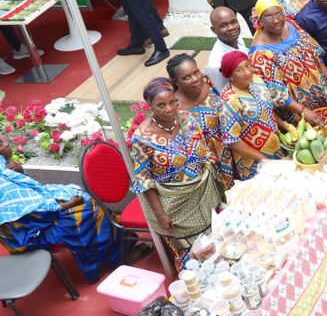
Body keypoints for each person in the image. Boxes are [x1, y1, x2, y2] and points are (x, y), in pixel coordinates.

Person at [129, 78, 223, 256]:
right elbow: (144, 180)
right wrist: (160, 216)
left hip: (204, 194)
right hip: (174, 206)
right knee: (192, 256)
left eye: (173, 102)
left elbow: (202, 149)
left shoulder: (187, 119)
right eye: (161, 105)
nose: (170, 109)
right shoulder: (143, 137)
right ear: (150, 105)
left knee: (217, 245)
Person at [0, 144, 118, 283]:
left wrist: (20, 171)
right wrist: (70, 204)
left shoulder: (3, 168)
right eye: (1, 144)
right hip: (27, 236)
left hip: (32, 222)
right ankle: (98, 264)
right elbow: (37, 213)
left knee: (77, 192)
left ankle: (111, 250)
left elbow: (27, 193)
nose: (7, 145)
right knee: (90, 211)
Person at [217, 51, 307, 181]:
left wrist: (286, 126)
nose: (247, 72)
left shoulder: (257, 81)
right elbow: (232, 141)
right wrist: (263, 159)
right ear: (230, 75)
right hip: (254, 162)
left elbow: (267, 110)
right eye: (239, 70)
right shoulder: (229, 101)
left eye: (248, 66)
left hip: (276, 148)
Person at [249, 0, 327, 114]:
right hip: (299, 111)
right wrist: (303, 111)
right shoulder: (259, 54)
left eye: (278, 14)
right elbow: (275, 93)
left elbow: (315, 52)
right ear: (260, 21)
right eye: (269, 16)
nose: (276, 20)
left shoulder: (292, 26)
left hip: (322, 93)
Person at [168, 54, 233, 190]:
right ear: (175, 81)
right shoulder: (175, 110)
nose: (195, 79)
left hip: (235, 147)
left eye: (196, 72)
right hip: (212, 164)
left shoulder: (209, 83)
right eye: (186, 77)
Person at [204, 6, 250, 94]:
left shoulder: (237, 38)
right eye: (223, 25)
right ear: (214, 30)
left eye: (234, 22)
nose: (231, 28)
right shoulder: (216, 65)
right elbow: (224, 94)